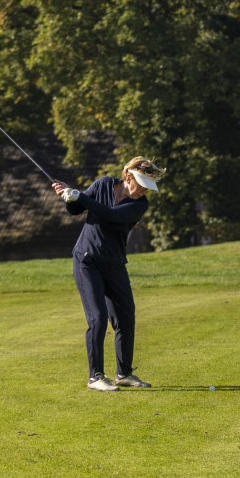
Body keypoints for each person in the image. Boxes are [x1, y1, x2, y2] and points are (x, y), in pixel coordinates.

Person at [54, 156, 165, 392]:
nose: (144, 190)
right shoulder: (104, 184)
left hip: (114, 264)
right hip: (87, 261)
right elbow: (76, 209)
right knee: (97, 317)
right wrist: (67, 196)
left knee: (125, 317)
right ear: (128, 176)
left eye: (148, 186)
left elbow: (112, 216)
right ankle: (95, 377)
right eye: (142, 183)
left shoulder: (139, 205)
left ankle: (124, 374)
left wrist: (80, 195)